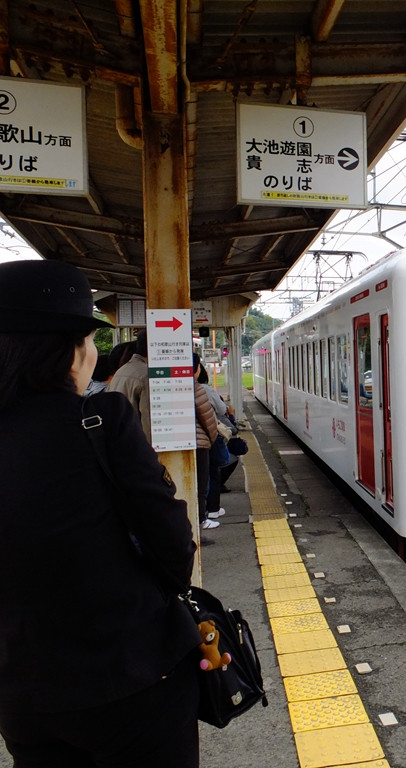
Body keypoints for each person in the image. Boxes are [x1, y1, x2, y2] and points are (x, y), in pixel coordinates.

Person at [0, 260, 200, 767]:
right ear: (68, 351)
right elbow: (172, 542)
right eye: (87, 340)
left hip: (23, 692)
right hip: (132, 673)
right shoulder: (99, 419)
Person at [108, 329, 153, 442]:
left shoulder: (122, 370)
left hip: (123, 442)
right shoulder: (146, 375)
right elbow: (149, 425)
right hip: (138, 446)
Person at [193, 353, 221, 530]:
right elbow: (208, 419)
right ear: (196, 369)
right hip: (200, 443)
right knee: (201, 484)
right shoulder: (196, 388)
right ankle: (202, 518)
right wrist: (212, 439)